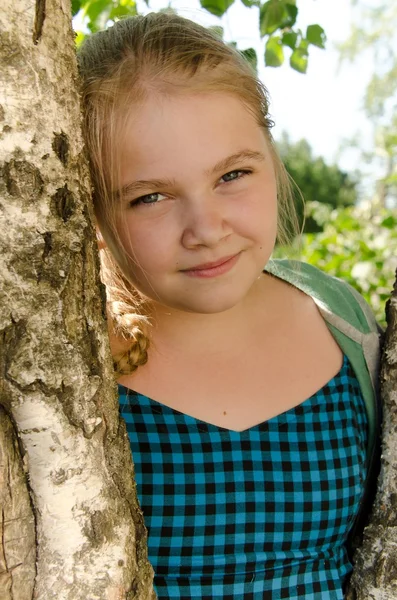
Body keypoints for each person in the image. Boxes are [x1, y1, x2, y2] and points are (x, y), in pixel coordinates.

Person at [77, 13, 382, 599]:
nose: (206, 229)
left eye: (232, 174)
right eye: (151, 197)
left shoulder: (340, 321)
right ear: (91, 209)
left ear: (271, 158)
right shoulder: (69, 366)